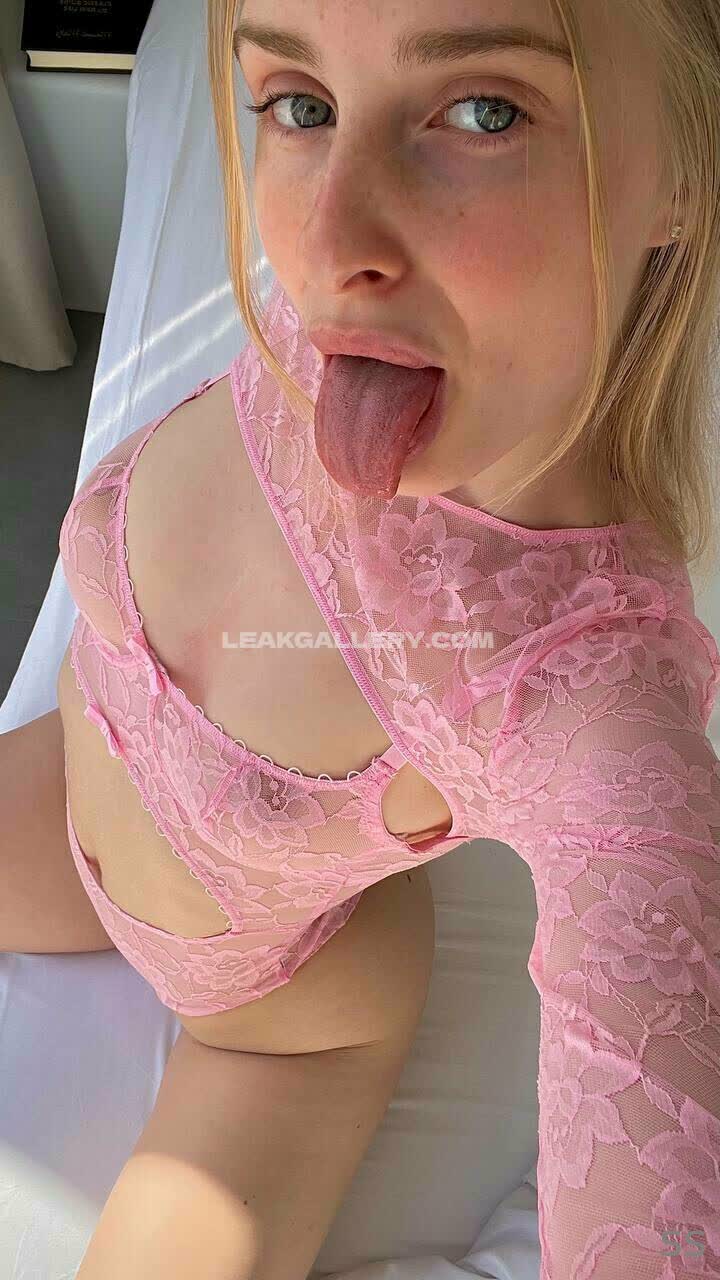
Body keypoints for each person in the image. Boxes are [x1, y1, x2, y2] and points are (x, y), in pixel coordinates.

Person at [3, 0, 720, 1276]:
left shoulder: (591, 694)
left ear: (686, 156)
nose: (331, 244)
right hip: (77, 769)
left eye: (484, 112)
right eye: (303, 104)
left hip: (277, 1009)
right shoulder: (353, 334)